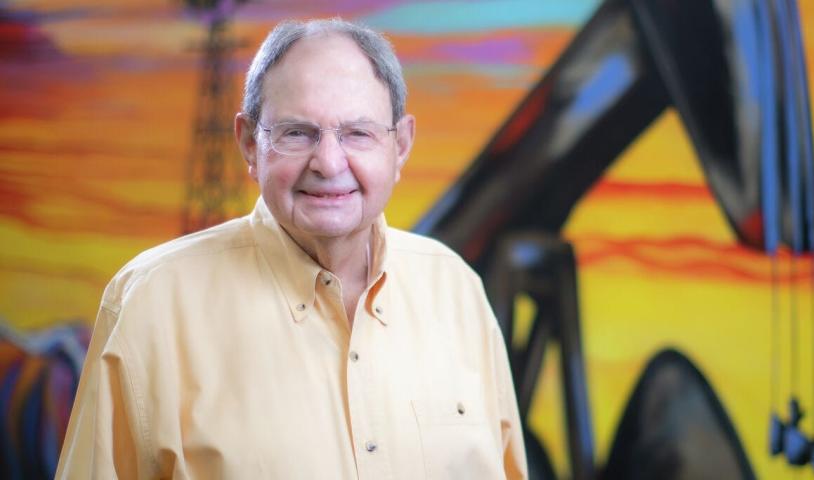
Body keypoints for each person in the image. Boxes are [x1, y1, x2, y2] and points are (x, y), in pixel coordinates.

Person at [56, 18, 527, 479]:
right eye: (297, 133)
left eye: (357, 133)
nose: (327, 162)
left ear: (400, 145)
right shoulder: (150, 304)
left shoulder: (456, 288)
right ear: (248, 143)